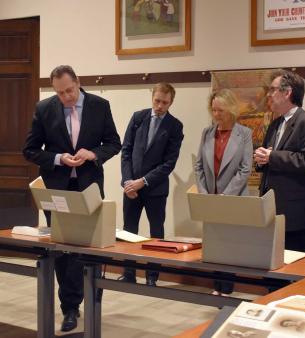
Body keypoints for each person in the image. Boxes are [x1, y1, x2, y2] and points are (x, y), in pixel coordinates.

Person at [23, 65, 121, 332]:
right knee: (62, 248)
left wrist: (93, 154)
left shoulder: (100, 105)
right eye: (60, 93)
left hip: (88, 187)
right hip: (57, 188)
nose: (66, 97)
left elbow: (114, 143)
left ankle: (83, 297)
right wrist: (57, 158)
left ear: (78, 82)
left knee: (85, 246)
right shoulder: (45, 108)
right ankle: (69, 307)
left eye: (69, 90)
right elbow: (30, 150)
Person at [120, 82, 184, 286]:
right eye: (157, 100)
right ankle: (128, 272)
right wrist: (128, 182)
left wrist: (143, 182)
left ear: (171, 102)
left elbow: (169, 163)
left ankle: (152, 276)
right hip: (131, 188)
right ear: (152, 97)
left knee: (156, 232)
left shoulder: (175, 126)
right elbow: (126, 151)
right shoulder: (138, 118)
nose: (159, 106)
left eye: (164, 103)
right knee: (129, 230)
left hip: (155, 189)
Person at [254, 69, 305, 253]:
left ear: (287, 92)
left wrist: (272, 156)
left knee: (293, 269)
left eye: (273, 89)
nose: (269, 94)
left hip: (293, 211)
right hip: (271, 208)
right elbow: (269, 157)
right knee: (270, 265)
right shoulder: (276, 123)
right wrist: (261, 159)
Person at [194, 89, 253, 295]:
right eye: (213, 110)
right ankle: (215, 285)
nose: (216, 115)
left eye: (220, 110)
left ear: (230, 110)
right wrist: (204, 193)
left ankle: (227, 287)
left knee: (230, 244)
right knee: (214, 243)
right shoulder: (207, 133)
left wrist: (225, 196)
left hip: (233, 198)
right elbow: (199, 166)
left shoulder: (244, 133)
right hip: (210, 198)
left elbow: (245, 169)